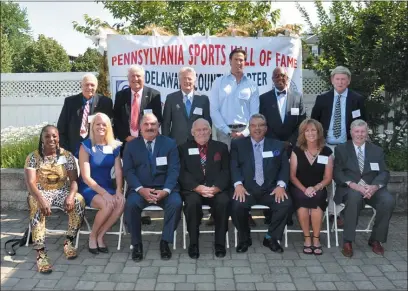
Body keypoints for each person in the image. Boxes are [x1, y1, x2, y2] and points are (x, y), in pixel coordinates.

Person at [24, 125, 85, 273]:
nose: (51, 139)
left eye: (54, 136)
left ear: (58, 137)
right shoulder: (33, 157)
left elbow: (74, 180)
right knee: (36, 204)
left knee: (79, 200)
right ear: (42, 139)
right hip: (40, 192)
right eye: (47, 136)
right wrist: (41, 199)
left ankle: (69, 241)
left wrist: (70, 196)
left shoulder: (67, 155)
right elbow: (30, 183)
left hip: (62, 191)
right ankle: (41, 253)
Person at [311, 66, 366, 226]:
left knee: (343, 179)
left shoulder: (357, 99)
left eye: (343, 79)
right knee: (324, 178)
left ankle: (335, 213)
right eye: (337, 79)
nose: (340, 82)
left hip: (346, 147)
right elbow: (314, 122)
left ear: (348, 81)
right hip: (325, 147)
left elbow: (362, 123)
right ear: (332, 80)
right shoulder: (322, 98)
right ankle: (322, 209)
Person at [123, 113, 182, 262]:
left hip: (164, 189)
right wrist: (140, 189)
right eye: (146, 124)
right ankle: (136, 244)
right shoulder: (131, 146)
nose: (150, 127)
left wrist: (166, 190)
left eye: (153, 124)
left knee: (175, 203)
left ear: (159, 126)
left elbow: (174, 170)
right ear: (140, 127)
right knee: (130, 205)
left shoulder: (170, 144)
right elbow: (128, 171)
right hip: (140, 189)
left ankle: (165, 242)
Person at [230, 114, 291, 253]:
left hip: (270, 189)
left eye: (261, 125)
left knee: (285, 203)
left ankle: (271, 237)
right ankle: (244, 238)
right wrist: (238, 184)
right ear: (249, 128)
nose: (257, 128)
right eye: (253, 125)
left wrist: (281, 185)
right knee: (236, 205)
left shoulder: (277, 145)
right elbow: (234, 166)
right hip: (246, 189)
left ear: (266, 128)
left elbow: (284, 167)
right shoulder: (238, 145)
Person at [333, 119, 395, 257]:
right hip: (351, 188)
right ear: (351, 132)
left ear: (367, 133)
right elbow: (337, 172)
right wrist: (353, 185)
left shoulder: (377, 150)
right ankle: (348, 241)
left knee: (388, 201)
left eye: (362, 131)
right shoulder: (341, 149)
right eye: (356, 131)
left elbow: (384, 172)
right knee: (354, 197)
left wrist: (374, 186)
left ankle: (375, 239)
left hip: (372, 188)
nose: (360, 134)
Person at [260, 66, 306, 225]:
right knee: (270, 176)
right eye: (277, 76)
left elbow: (302, 123)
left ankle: (287, 214)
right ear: (272, 79)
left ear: (288, 78)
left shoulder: (297, 97)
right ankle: (269, 213)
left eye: (283, 76)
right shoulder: (263, 98)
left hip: (291, 146)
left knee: (290, 177)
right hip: (270, 145)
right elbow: (261, 123)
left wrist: (291, 142)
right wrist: (276, 143)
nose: (280, 78)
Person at [178, 118, 230, 259]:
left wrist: (217, 188)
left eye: (205, 129)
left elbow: (226, 171)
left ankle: (220, 244)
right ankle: (193, 244)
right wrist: (197, 187)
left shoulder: (221, 148)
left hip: (216, 189)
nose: (202, 132)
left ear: (210, 131)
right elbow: (182, 173)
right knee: (192, 204)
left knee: (223, 203)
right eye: (198, 130)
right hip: (194, 190)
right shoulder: (183, 148)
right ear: (192, 132)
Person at [78, 113, 124, 254]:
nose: (101, 127)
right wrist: (104, 194)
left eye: (104, 124)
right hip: (89, 187)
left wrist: (118, 191)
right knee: (107, 204)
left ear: (109, 127)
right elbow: (86, 177)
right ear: (92, 126)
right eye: (98, 124)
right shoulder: (85, 146)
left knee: (121, 202)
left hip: (107, 186)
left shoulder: (114, 146)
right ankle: (92, 236)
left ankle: (100, 235)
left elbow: (118, 170)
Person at [289, 119, 333, 255]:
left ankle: (316, 238)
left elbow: (328, 178)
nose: (310, 133)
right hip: (299, 188)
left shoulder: (327, 151)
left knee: (317, 202)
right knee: (302, 203)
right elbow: (292, 176)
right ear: (303, 133)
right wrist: (304, 189)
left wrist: (315, 187)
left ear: (319, 132)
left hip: (318, 188)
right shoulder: (296, 151)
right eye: (307, 130)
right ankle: (307, 238)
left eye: (313, 130)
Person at [209, 48, 259, 150]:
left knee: (244, 164)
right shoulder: (218, 82)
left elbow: (254, 113)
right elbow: (214, 110)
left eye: (241, 60)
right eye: (235, 59)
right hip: (224, 132)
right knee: (225, 165)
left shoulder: (252, 85)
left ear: (245, 63)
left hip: (245, 133)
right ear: (230, 61)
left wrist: (245, 133)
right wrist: (227, 130)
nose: (238, 62)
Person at [57, 73, 113, 157]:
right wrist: (66, 149)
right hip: (73, 149)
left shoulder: (105, 102)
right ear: (81, 85)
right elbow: (61, 128)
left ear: (96, 86)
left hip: (95, 149)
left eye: (92, 85)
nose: (89, 88)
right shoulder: (70, 102)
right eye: (86, 84)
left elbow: (109, 128)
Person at [113, 65, 163, 153]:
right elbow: (116, 118)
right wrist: (126, 136)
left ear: (144, 78)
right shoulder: (120, 95)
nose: (135, 79)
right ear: (128, 79)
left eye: (138, 76)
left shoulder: (154, 95)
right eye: (132, 76)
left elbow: (158, 119)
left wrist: (146, 136)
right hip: (127, 143)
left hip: (147, 142)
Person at [162, 67, 212, 146]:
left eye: (189, 78)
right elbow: (166, 123)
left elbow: (207, 122)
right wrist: (165, 142)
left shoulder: (203, 99)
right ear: (179, 80)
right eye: (184, 78)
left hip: (198, 142)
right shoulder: (171, 98)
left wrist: (208, 142)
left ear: (195, 81)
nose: (187, 81)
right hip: (176, 143)